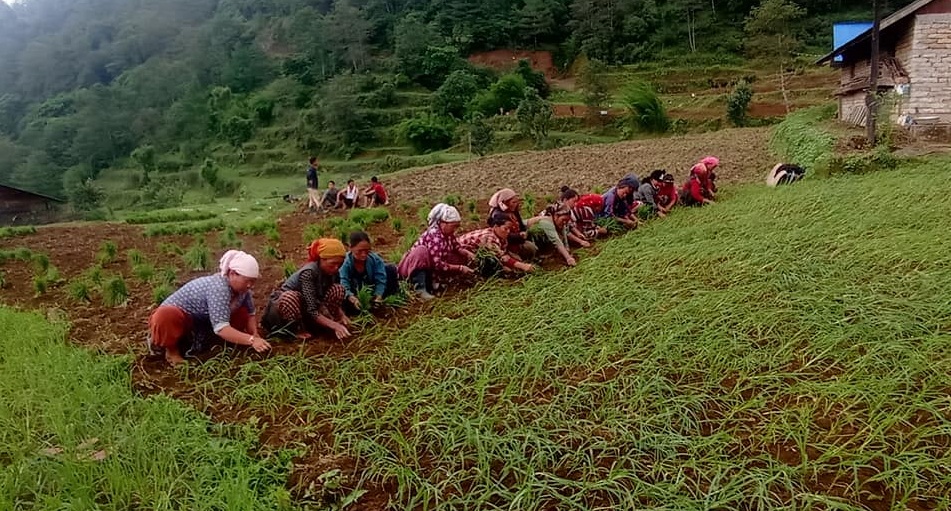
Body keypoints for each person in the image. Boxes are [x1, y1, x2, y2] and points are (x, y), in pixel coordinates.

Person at [147, 250, 271, 366]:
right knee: (166, 315)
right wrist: (251, 340)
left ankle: (209, 341)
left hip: (203, 322)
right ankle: (172, 352)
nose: (250, 285)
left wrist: (255, 334)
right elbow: (221, 328)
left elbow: (250, 314)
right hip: (184, 321)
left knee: (241, 313)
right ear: (232, 274)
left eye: (253, 281)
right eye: (247, 281)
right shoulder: (219, 287)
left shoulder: (243, 291)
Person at [261, 239, 351, 341]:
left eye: (340, 264)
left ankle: (319, 326)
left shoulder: (333, 272)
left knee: (338, 289)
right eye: (333, 264)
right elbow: (312, 310)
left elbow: (317, 303)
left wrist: (341, 315)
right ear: (322, 259)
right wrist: (335, 325)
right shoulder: (309, 273)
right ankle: (295, 329)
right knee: (290, 298)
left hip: (308, 308)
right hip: (287, 312)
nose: (336, 268)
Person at [397, 203, 476, 300]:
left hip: (431, 272)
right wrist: (460, 268)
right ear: (443, 223)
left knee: (457, 254)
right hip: (411, 271)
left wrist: (467, 253)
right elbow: (437, 264)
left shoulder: (448, 235)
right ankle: (419, 288)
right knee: (421, 251)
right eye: (453, 226)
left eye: (457, 226)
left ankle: (436, 284)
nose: (455, 229)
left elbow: (457, 247)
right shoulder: (435, 236)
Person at [339, 231, 400, 314]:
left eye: (367, 251)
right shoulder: (345, 263)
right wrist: (352, 298)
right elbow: (343, 283)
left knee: (390, 270)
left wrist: (378, 296)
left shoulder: (375, 259)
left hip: (371, 289)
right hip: (353, 293)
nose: (364, 254)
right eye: (360, 251)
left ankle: (386, 301)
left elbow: (381, 279)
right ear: (351, 248)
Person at [458, 214, 535, 276]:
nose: (508, 232)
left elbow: (503, 252)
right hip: (461, 253)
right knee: (500, 267)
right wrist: (523, 266)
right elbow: (501, 256)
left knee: (510, 265)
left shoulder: (500, 236)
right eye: (505, 228)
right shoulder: (489, 237)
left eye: (509, 229)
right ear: (495, 227)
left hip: (474, 252)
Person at [488, 188, 538, 261]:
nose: (516, 204)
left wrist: (524, 231)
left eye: (516, 202)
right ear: (505, 202)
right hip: (507, 243)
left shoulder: (513, 211)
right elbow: (502, 234)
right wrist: (519, 236)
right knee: (530, 247)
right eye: (513, 202)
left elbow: (520, 223)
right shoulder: (498, 215)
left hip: (518, 238)